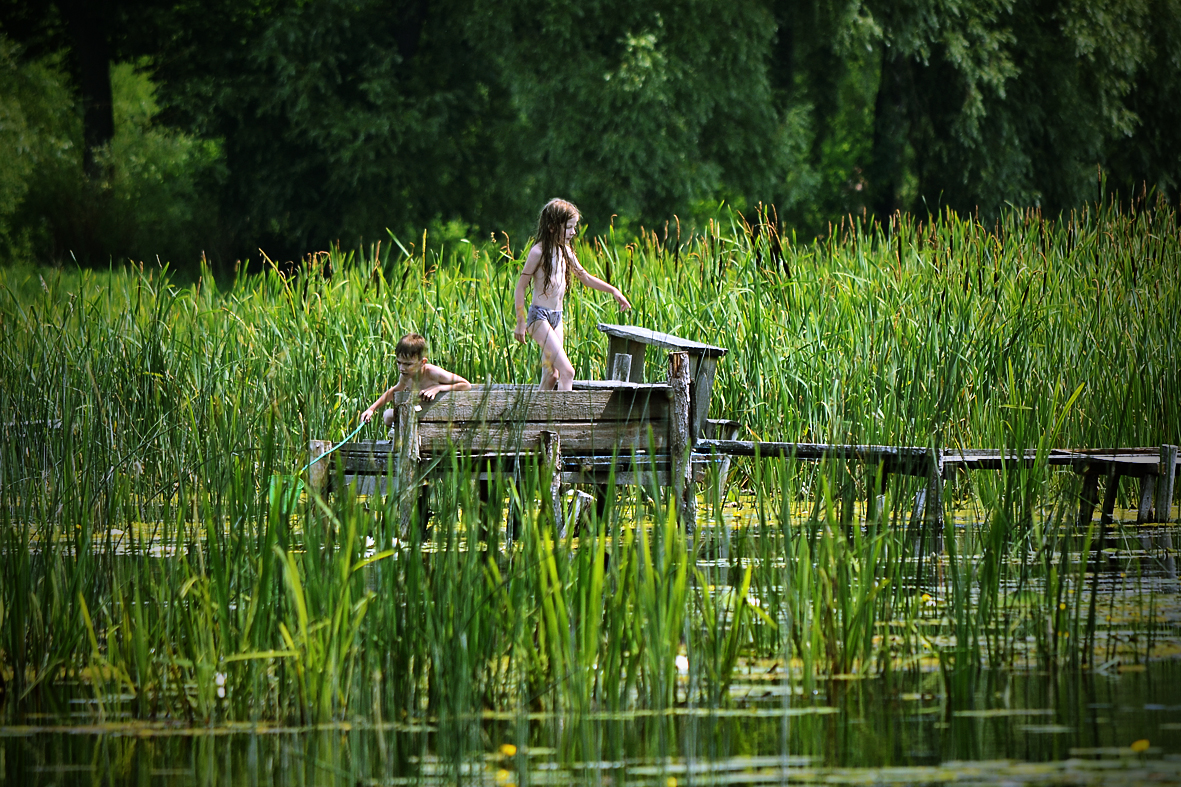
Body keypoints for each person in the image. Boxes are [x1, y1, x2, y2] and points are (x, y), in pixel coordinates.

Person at [513, 198, 631, 391]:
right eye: (569, 227)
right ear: (552, 227)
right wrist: (520, 322)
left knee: (552, 376)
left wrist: (613, 290)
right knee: (568, 372)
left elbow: (585, 277)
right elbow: (520, 287)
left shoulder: (565, 251)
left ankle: (536, 419)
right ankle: (561, 420)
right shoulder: (538, 252)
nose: (573, 232)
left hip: (556, 318)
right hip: (539, 317)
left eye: (574, 227)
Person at [361, 333, 471, 426]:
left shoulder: (432, 373)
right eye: (399, 362)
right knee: (387, 416)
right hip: (418, 417)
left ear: (422, 362)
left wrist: (438, 388)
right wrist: (372, 409)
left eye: (408, 364)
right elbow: (395, 391)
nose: (401, 368)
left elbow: (466, 385)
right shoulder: (405, 376)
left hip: (440, 419)